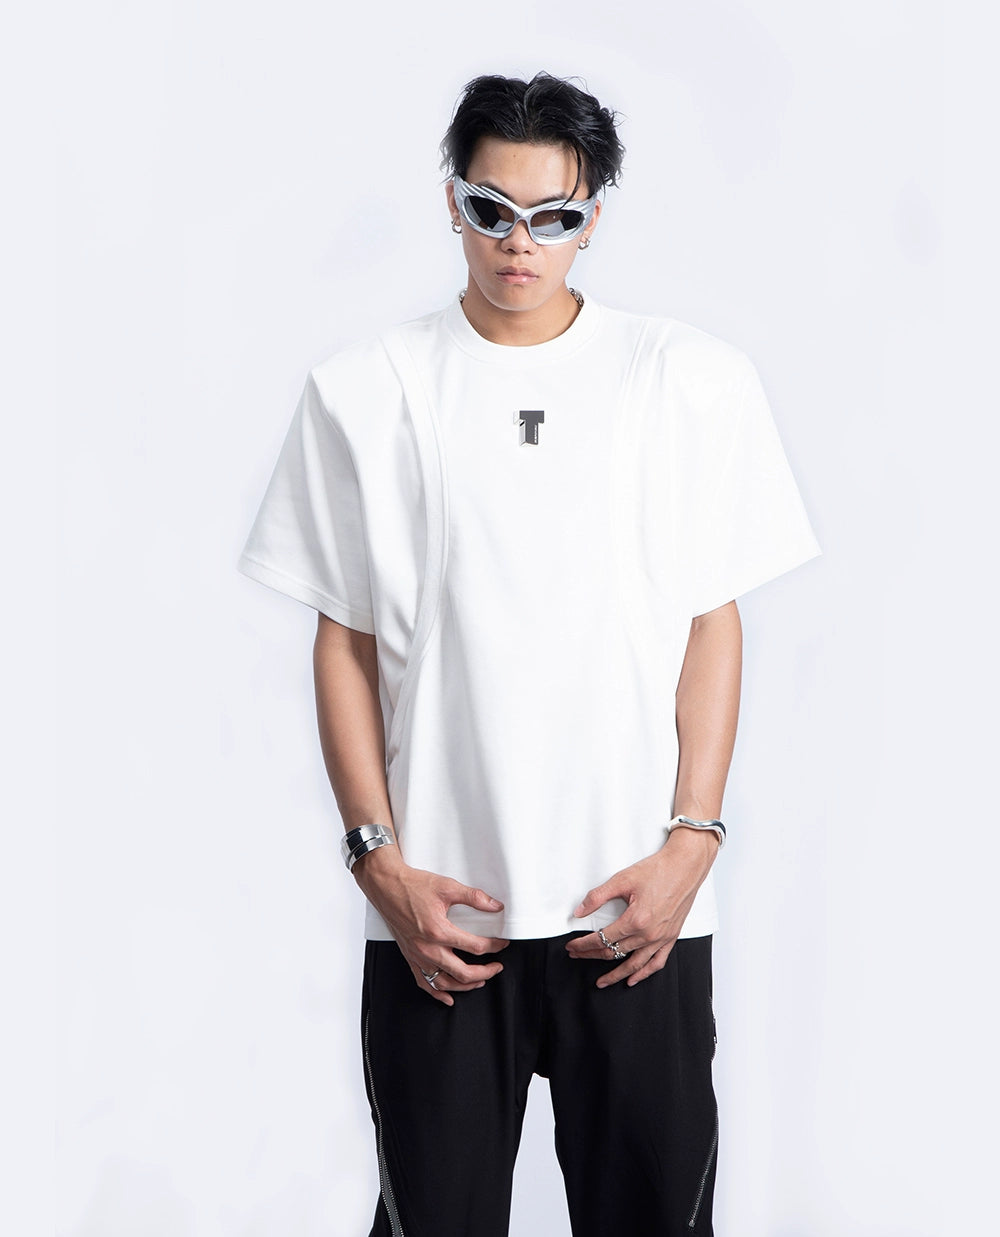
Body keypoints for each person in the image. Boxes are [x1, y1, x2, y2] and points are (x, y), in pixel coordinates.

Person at [237, 71, 821, 1237]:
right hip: (443, 920)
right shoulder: (366, 390)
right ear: (451, 203)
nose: (520, 241)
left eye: (553, 214)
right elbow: (342, 637)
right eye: (491, 209)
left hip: (637, 910)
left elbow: (710, 618)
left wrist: (692, 843)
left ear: (592, 214)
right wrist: (378, 863)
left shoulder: (687, 379)